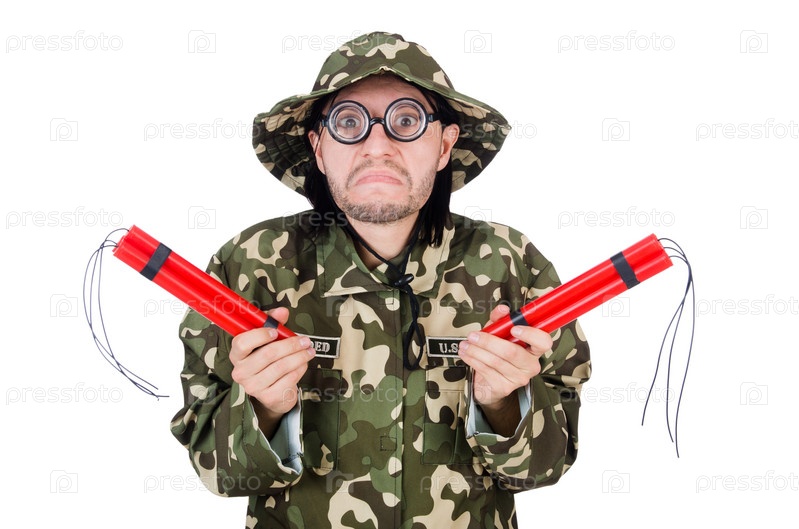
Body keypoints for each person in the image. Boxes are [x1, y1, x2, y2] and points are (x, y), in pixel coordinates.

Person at [170, 31, 591, 529]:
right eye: (348, 122)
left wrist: (503, 404)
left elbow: (545, 468)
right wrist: (262, 408)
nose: (377, 146)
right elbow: (220, 475)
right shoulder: (248, 266)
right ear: (319, 148)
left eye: (406, 121)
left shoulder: (512, 265)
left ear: (444, 145)